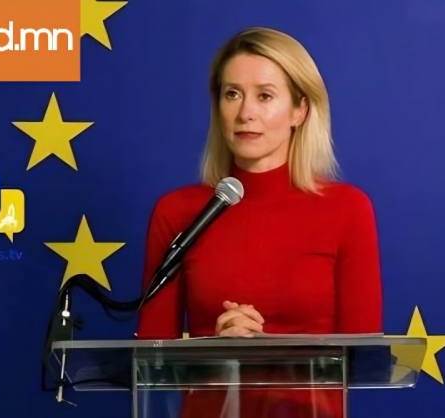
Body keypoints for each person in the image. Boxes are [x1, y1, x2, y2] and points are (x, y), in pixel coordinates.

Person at [136, 26, 383, 418]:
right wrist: (217, 351)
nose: (245, 113)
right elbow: (151, 365)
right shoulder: (177, 212)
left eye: (265, 96)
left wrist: (263, 349)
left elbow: (364, 360)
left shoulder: (347, 209)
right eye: (232, 94)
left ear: (300, 110)